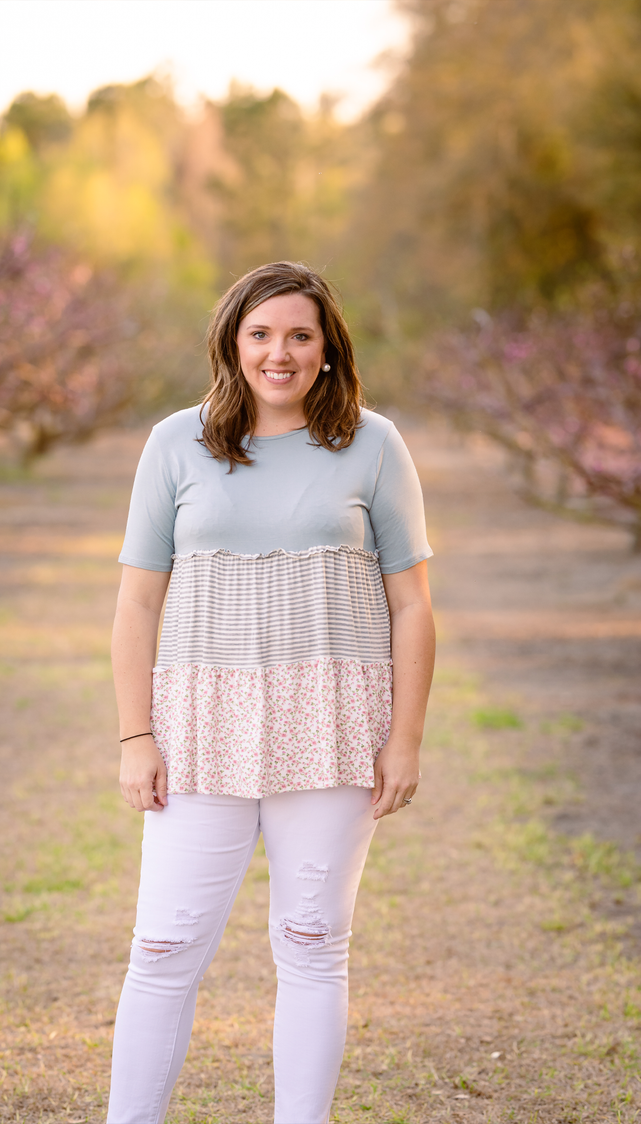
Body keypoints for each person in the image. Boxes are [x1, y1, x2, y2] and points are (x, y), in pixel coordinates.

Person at [107, 261, 435, 1124]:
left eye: (298, 335)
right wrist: (135, 736)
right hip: (200, 731)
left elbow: (412, 602)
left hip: (332, 728)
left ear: (327, 350)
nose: (278, 353)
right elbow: (139, 599)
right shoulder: (176, 442)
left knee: (313, 946)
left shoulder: (373, 443)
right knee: (164, 947)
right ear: (232, 342)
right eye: (260, 334)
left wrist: (404, 739)